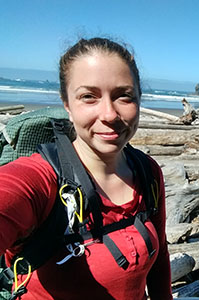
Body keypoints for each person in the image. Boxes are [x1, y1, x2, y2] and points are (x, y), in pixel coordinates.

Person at [0, 37, 173, 300]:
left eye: (123, 96)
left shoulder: (147, 171)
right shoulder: (40, 179)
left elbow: (159, 257)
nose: (109, 114)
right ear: (67, 105)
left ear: (139, 99)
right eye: (88, 97)